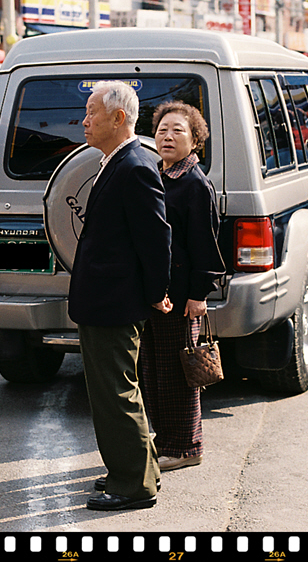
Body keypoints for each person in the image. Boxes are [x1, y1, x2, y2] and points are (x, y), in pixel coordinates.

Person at [68, 80, 172, 512]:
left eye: (92, 112)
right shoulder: (115, 161)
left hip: (115, 302)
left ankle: (134, 486)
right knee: (111, 393)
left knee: (116, 394)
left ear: (119, 118)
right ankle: (135, 469)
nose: (85, 120)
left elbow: (156, 239)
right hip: (103, 300)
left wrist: (155, 294)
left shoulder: (135, 166)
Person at [139, 101, 225, 473]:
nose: (167, 136)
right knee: (154, 372)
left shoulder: (193, 183)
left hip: (181, 295)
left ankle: (187, 446)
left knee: (179, 374)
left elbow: (206, 243)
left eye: (178, 130)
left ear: (195, 140)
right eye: (162, 130)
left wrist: (198, 295)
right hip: (157, 293)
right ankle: (166, 440)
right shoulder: (159, 173)